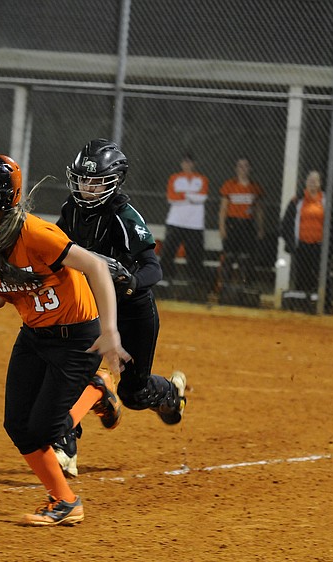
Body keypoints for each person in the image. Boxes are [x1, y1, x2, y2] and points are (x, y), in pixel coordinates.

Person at [0, 153, 130, 526]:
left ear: (2, 198)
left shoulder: (35, 233)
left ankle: (94, 397)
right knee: (17, 425)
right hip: (34, 337)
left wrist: (110, 331)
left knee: (45, 428)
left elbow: (95, 266)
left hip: (76, 337)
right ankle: (66, 499)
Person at [52, 139, 188, 478]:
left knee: (133, 393)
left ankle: (170, 393)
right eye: (82, 179)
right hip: (93, 308)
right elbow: (55, 248)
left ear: (114, 182)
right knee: (71, 372)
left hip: (133, 310)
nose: (87, 187)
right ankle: (65, 444)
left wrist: (131, 281)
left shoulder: (123, 216)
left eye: (95, 181)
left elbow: (153, 268)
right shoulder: (71, 210)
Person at [279, 170, 333, 299]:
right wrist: (290, 241)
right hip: (302, 245)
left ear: (320, 183)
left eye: (315, 180)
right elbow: (286, 222)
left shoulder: (326, 201)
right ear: (306, 182)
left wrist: (332, 245)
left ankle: (323, 302)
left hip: (320, 246)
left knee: (321, 275)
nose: (312, 182)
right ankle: (303, 302)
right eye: (310, 180)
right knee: (302, 275)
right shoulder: (297, 200)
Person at [161, 152, 209, 292]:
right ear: (181, 163)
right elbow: (171, 198)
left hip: (195, 223)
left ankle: (194, 283)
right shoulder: (174, 178)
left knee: (195, 254)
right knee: (168, 251)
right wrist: (191, 196)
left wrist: (182, 195)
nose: (187, 164)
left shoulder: (201, 179)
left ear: (193, 163)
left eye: (189, 162)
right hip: (175, 221)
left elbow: (202, 197)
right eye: (185, 162)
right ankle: (164, 280)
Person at [218, 157, 265, 285]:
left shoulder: (255, 187)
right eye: (240, 166)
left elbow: (259, 210)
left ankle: (245, 285)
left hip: (247, 224)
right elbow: (223, 208)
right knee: (229, 255)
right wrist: (222, 227)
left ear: (250, 169)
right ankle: (225, 285)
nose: (243, 169)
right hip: (232, 224)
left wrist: (260, 227)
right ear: (236, 168)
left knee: (246, 257)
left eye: (246, 166)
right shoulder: (230, 185)